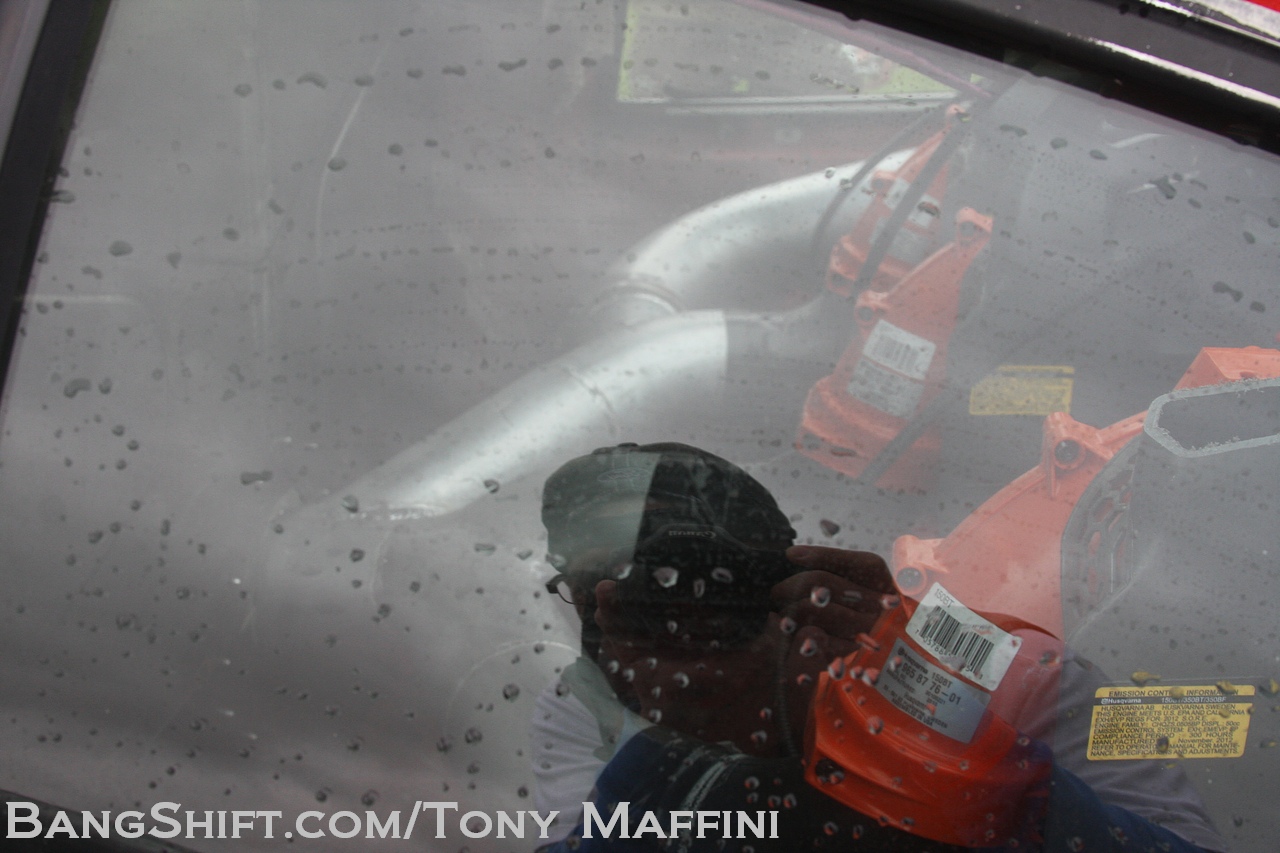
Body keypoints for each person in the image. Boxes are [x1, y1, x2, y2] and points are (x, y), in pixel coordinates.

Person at [530, 442, 1224, 852]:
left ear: (785, 575)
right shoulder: (585, 707)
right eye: (591, 582)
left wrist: (913, 719)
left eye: (688, 573)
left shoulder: (1014, 669)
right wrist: (705, 751)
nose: (630, 602)